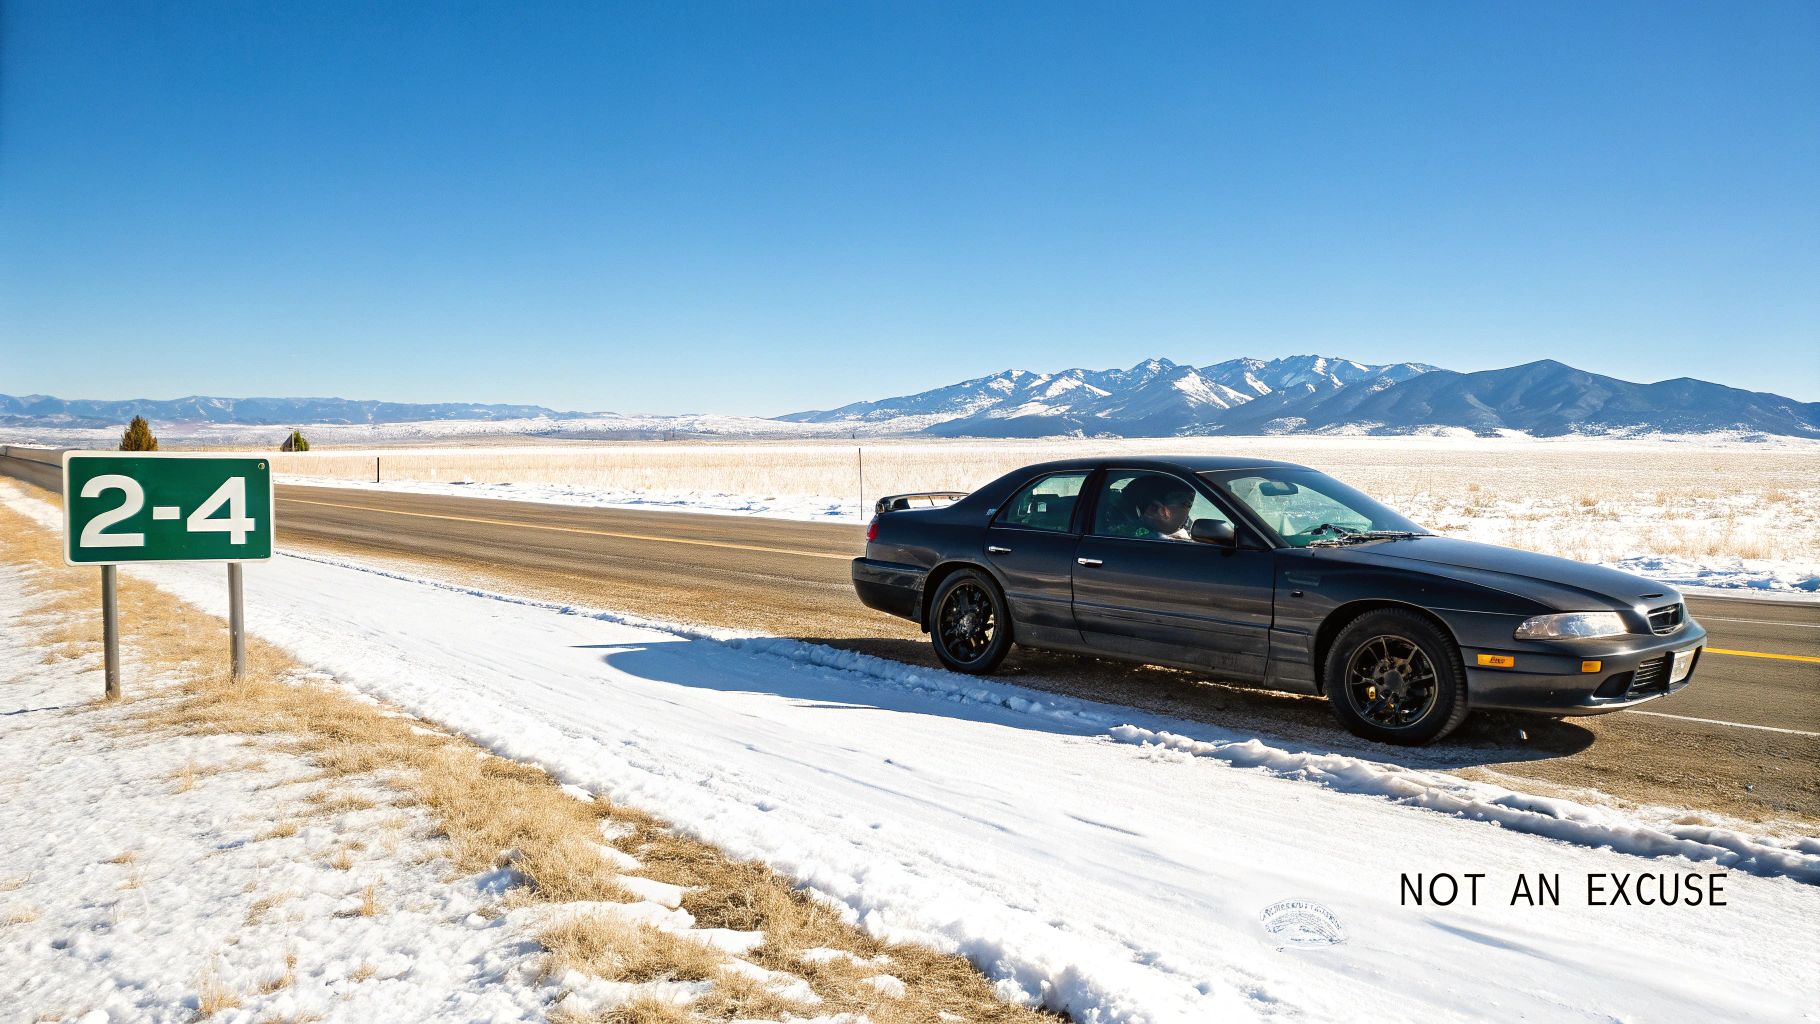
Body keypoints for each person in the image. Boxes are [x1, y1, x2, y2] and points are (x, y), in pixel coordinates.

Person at [1108, 475, 1195, 541]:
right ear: (1163, 511)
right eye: (1187, 504)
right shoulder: (1147, 539)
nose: (1188, 512)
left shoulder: (1119, 531)